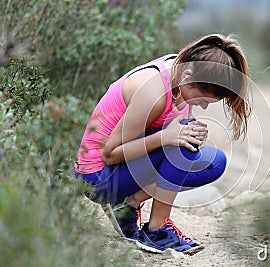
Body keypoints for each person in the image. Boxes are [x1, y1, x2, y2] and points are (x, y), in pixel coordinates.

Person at [74, 34, 251, 254]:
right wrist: (167, 137)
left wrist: (188, 133)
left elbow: (170, 130)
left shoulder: (185, 71)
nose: (203, 107)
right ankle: (156, 231)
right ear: (187, 77)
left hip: (124, 168)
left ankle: (129, 204)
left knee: (215, 162)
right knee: (180, 141)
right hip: (97, 177)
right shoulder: (154, 92)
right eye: (203, 100)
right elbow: (110, 154)